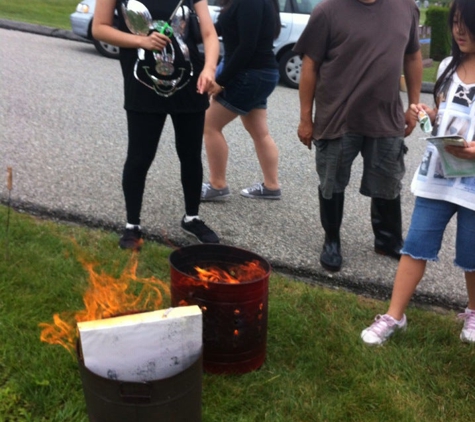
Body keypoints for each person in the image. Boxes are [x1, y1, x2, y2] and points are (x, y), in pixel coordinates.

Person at [361, 0, 475, 346]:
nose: (458, 29)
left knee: (473, 255)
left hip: (472, 184)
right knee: (415, 247)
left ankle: (473, 311)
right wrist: (427, 113)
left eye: (466, 22)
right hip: (438, 175)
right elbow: (443, 113)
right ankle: (394, 316)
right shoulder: (446, 67)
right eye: (455, 21)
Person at [294, 0, 423, 272]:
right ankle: (331, 241)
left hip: (386, 116)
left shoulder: (406, 8)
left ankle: (387, 240)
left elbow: (412, 57)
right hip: (338, 115)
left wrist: (413, 105)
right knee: (332, 181)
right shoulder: (327, 11)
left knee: (389, 179)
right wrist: (306, 118)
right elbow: (310, 66)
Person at [92, 0, 221, 250]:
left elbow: (208, 33)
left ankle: (192, 218)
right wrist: (141, 41)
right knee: (140, 157)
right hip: (142, 85)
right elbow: (99, 28)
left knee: (190, 155)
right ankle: (132, 225)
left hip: (190, 85)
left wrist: (209, 69)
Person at [200, 0, 282, 201]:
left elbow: (247, 46)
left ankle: (217, 185)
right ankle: (271, 186)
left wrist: (222, 81)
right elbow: (219, 29)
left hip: (250, 74)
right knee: (259, 132)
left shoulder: (249, 2)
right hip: (260, 73)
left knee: (210, 125)